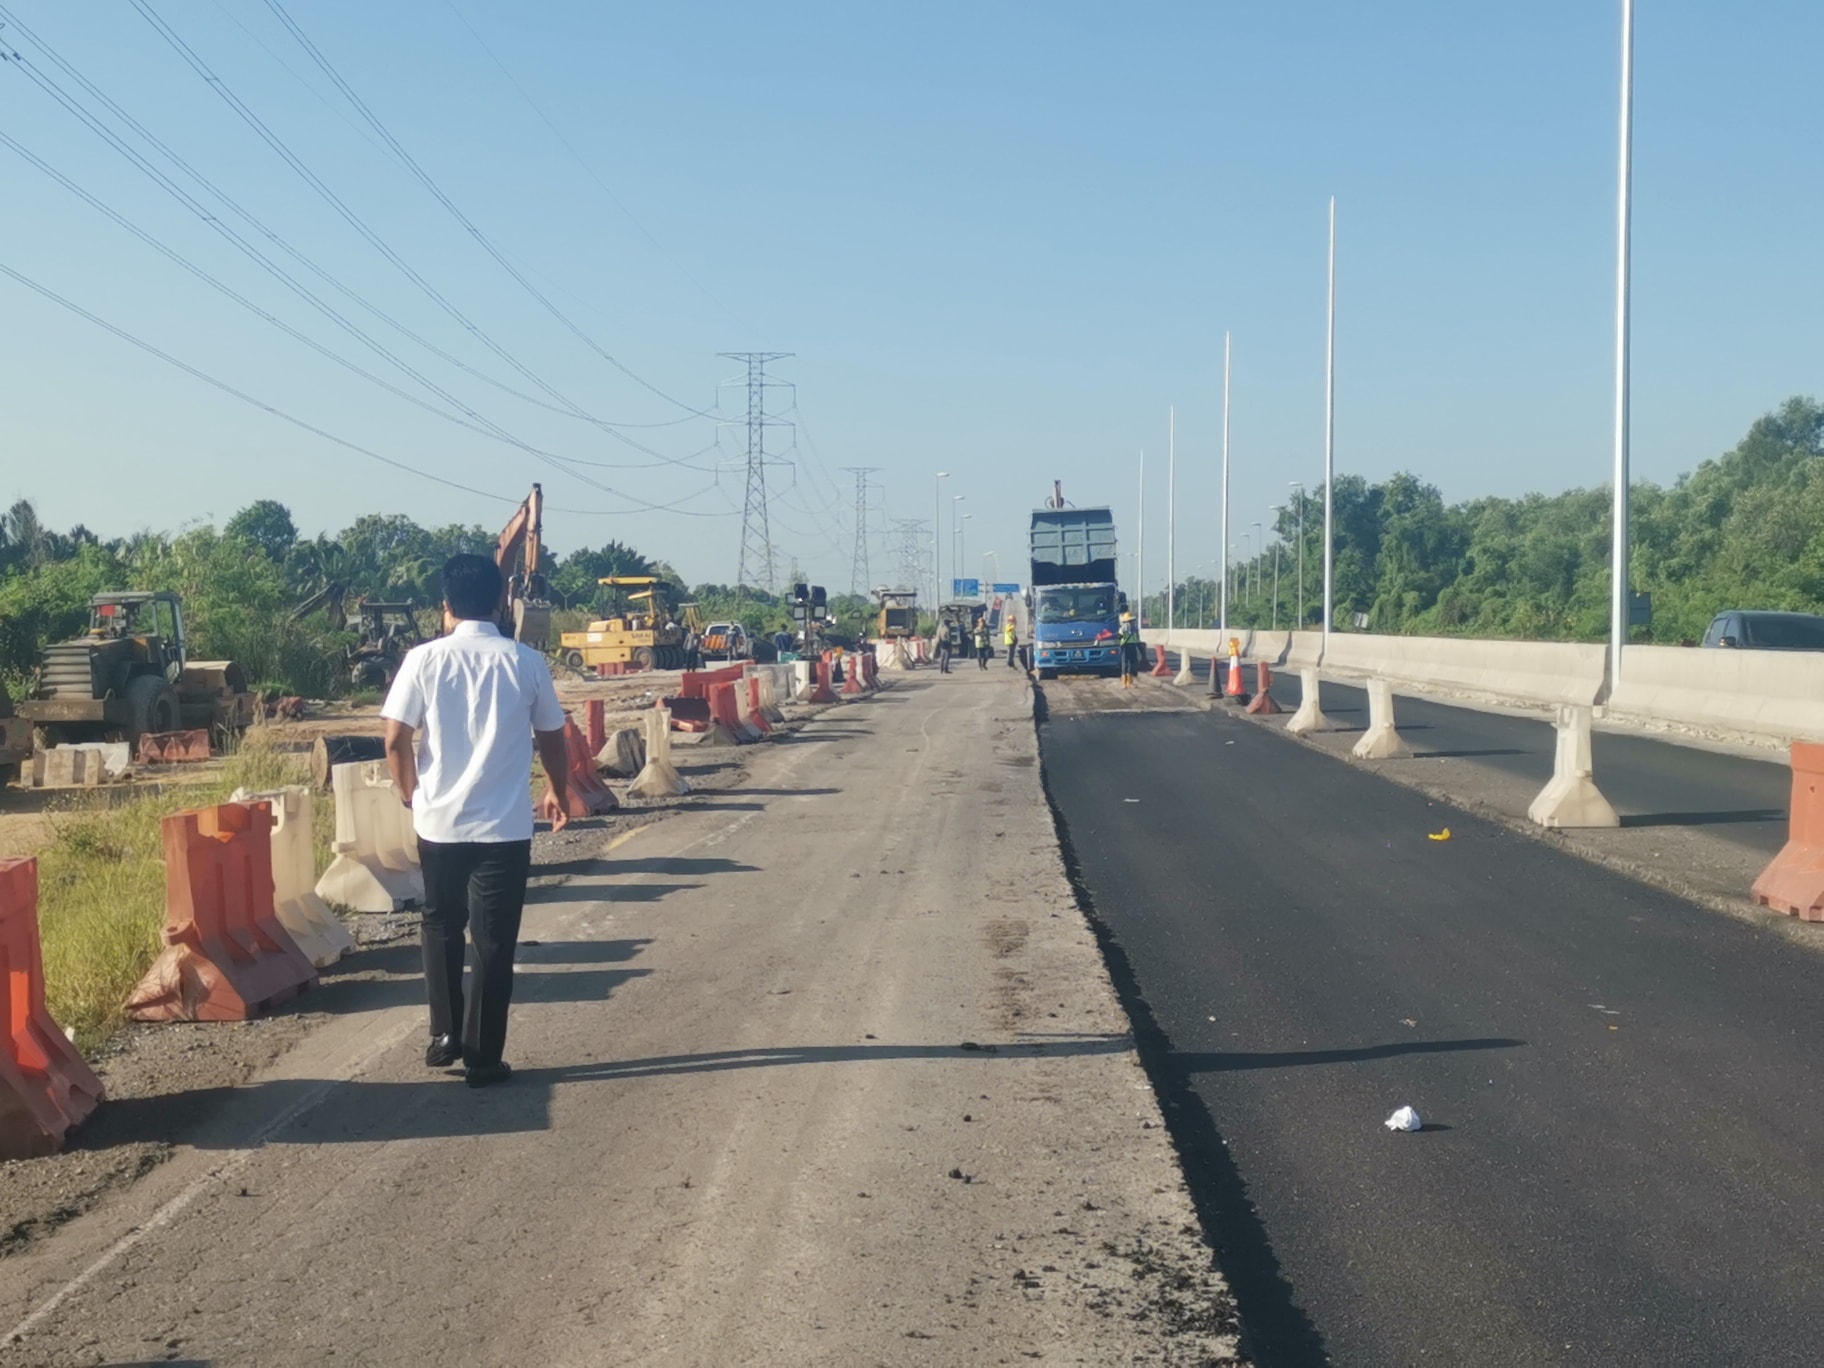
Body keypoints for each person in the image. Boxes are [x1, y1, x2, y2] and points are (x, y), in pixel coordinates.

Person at [382, 554, 571, 1089]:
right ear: (499, 600)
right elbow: (552, 737)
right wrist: (557, 789)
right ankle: (483, 1058)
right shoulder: (526, 661)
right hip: (505, 830)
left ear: (445, 606)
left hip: (439, 822)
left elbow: (395, 738)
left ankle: (443, 1033)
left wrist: (409, 794)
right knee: (492, 943)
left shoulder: (422, 660)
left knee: (440, 922)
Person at [1118, 610, 1142, 689]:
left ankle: (1128, 683)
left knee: (1129, 664)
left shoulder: (1130, 629)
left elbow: (1137, 639)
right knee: (1127, 664)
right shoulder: (1129, 629)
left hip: (1128, 646)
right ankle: (1125, 682)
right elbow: (1120, 638)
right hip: (1127, 646)